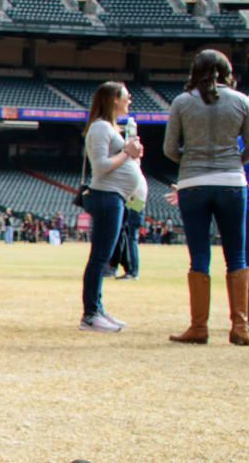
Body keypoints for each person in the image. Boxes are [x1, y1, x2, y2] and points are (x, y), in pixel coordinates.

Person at [163, 49, 249, 346]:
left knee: (199, 255)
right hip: (231, 180)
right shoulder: (241, 101)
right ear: (227, 71)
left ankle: (199, 327)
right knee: (236, 254)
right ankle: (240, 326)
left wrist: (189, 160)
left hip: (193, 182)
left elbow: (169, 148)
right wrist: (234, 161)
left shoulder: (182, 102)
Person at [79, 81, 144, 333]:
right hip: (106, 196)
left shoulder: (108, 128)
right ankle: (90, 314)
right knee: (100, 258)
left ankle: (97, 309)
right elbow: (101, 166)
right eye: (126, 96)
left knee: (103, 257)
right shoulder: (99, 127)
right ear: (114, 99)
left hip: (114, 196)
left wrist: (131, 152)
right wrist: (128, 152)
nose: (129, 100)